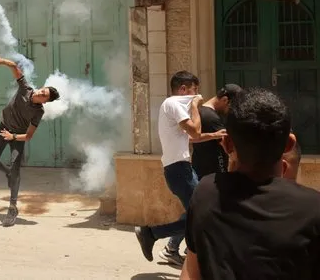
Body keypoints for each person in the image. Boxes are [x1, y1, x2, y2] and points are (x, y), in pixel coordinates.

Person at [180, 88, 320, 280]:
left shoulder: (206, 193)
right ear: (289, 144)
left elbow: (191, 273)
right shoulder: (313, 208)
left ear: (227, 144)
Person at [134, 71, 227, 267]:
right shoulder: (173, 104)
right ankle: (151, 234)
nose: (196, 94)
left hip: (182, 168)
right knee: (202, 213)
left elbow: (193, 137)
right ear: (183, 89)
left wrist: (215, 135)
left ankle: (165, 243)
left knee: (197, 212)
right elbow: (195, 130)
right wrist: (194, 105)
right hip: (178, 170)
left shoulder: (174, 107)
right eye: (195, 90)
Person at [0, 56, 60, 227]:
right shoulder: (26, 88)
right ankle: (7, 173)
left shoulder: (38, 113)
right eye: (43, 90)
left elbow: (28, 136)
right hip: (3, 128)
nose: (41, 93)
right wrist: (2, 61)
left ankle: (12, 207)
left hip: (17, 136)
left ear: (45, 101)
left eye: (44, 96)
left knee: (15, 168)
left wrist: (13, 137)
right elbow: (15, 67)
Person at [191, 84, 242, 180]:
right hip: (214, 172)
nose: (232, 110)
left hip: (201, 169)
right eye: (232, 106)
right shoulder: (211, 117)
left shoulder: (201, 111)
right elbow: (227, 146)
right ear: (225, 100)